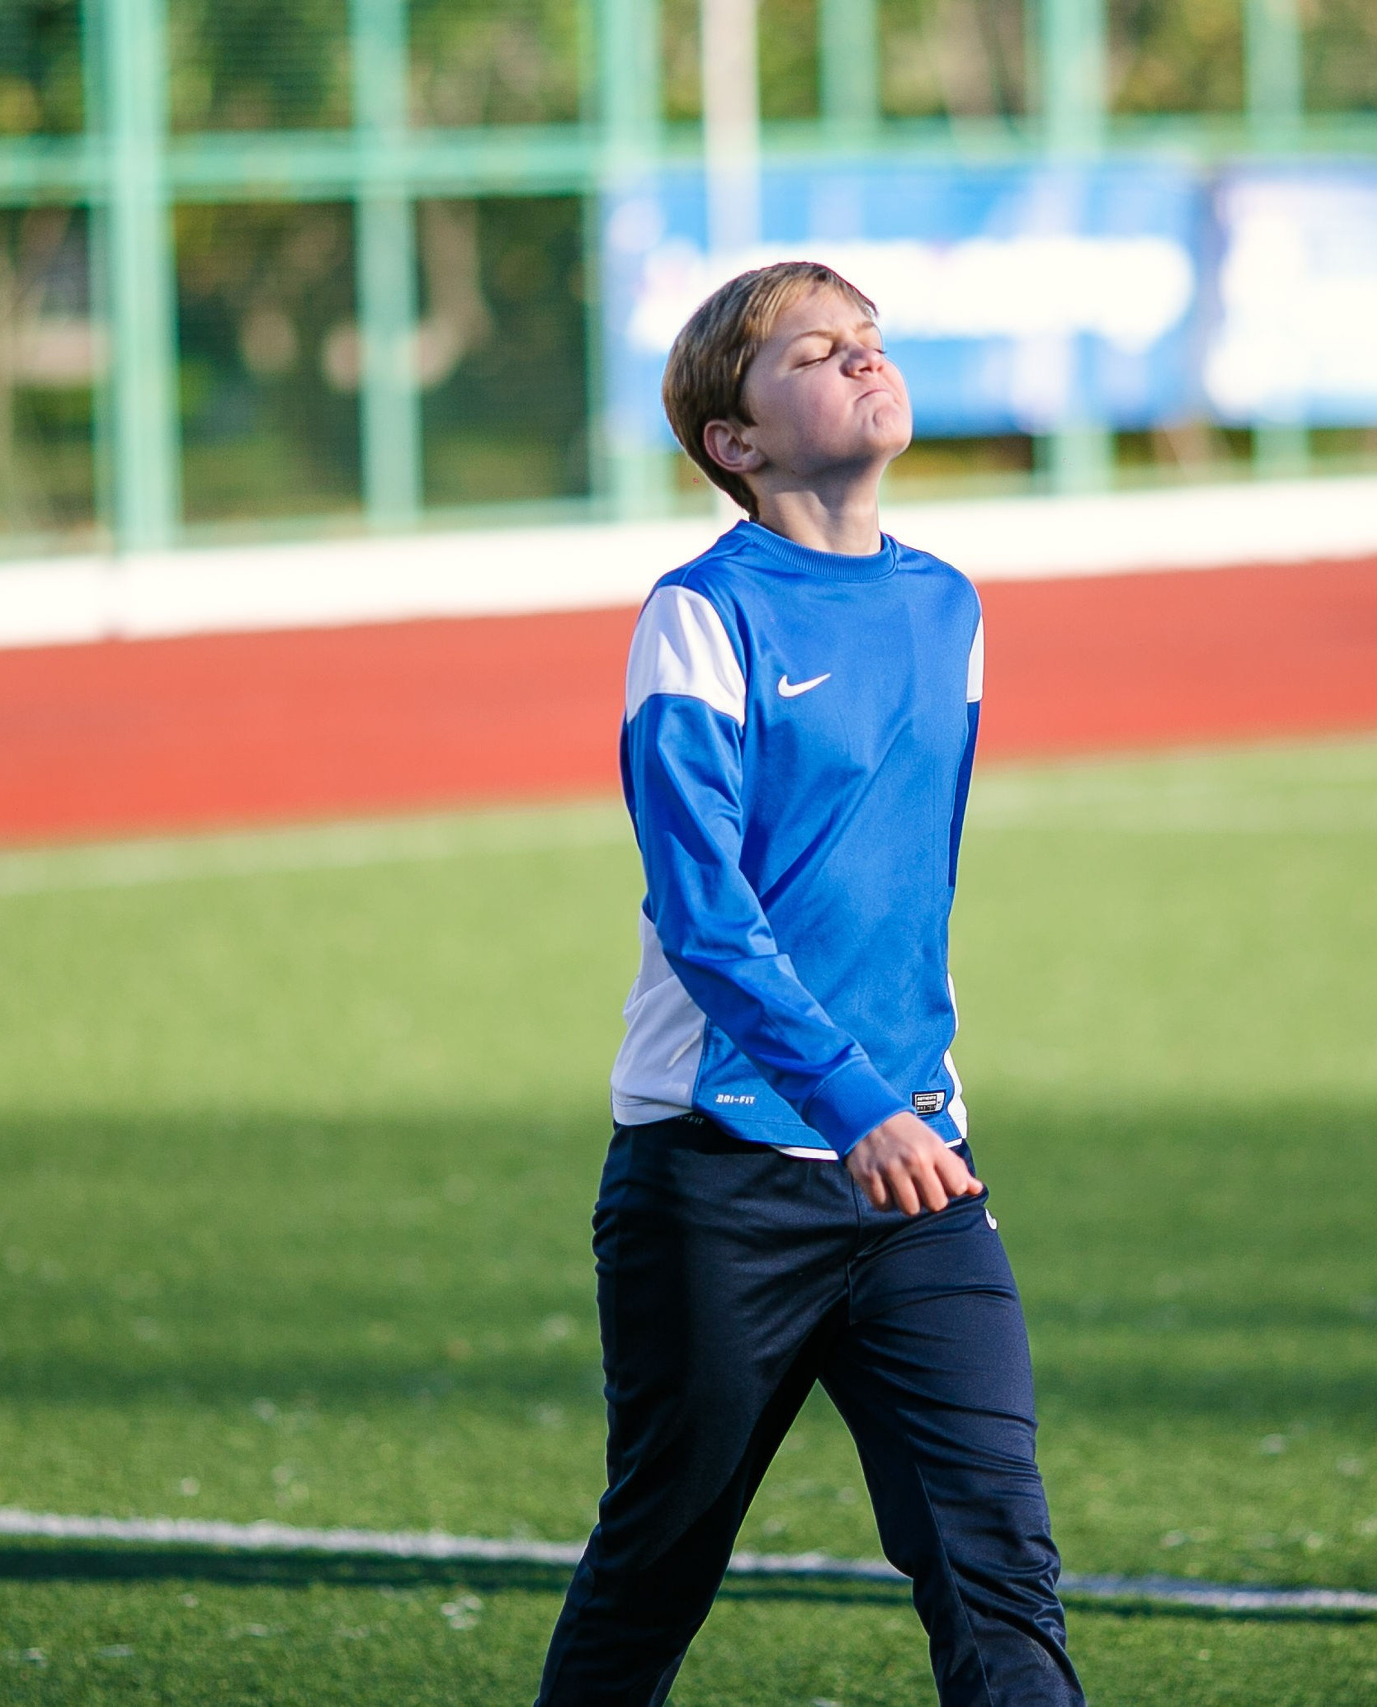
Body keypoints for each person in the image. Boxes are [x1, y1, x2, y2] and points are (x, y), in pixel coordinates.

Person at [534, 261, 1084, 1707]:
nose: (863, 362)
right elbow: (704, 915)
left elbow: (912, 893)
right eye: (815, 352)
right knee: (658, 1563)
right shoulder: (700, 616)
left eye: (872, 342)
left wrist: (909, 1106)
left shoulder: (949, 605)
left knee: (1001, 1571)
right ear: (738, 441)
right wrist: (850, 1104)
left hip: (916, 1168)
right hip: (718, 1178)